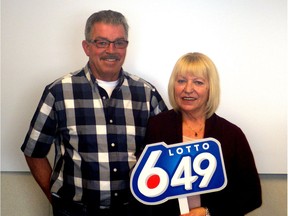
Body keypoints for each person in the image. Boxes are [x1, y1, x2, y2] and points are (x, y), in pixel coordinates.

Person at [21, 10, 167, 216]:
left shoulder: (146, 93)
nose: (111, 50)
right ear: (86, 47)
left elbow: (167, 150)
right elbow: (34, 152)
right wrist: (56, 200)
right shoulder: (59, 92)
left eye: (119, 42)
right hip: (75, 210)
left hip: (134, 209)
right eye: (102, 42)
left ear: (126, 46)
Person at [143, 52, 262, 216]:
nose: (188, 89)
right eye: (181, 81)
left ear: (210, 88)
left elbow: (252, 195)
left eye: (198, 82)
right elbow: (145, 187)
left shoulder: (231, 134)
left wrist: (208, 212)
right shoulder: (157, 126)